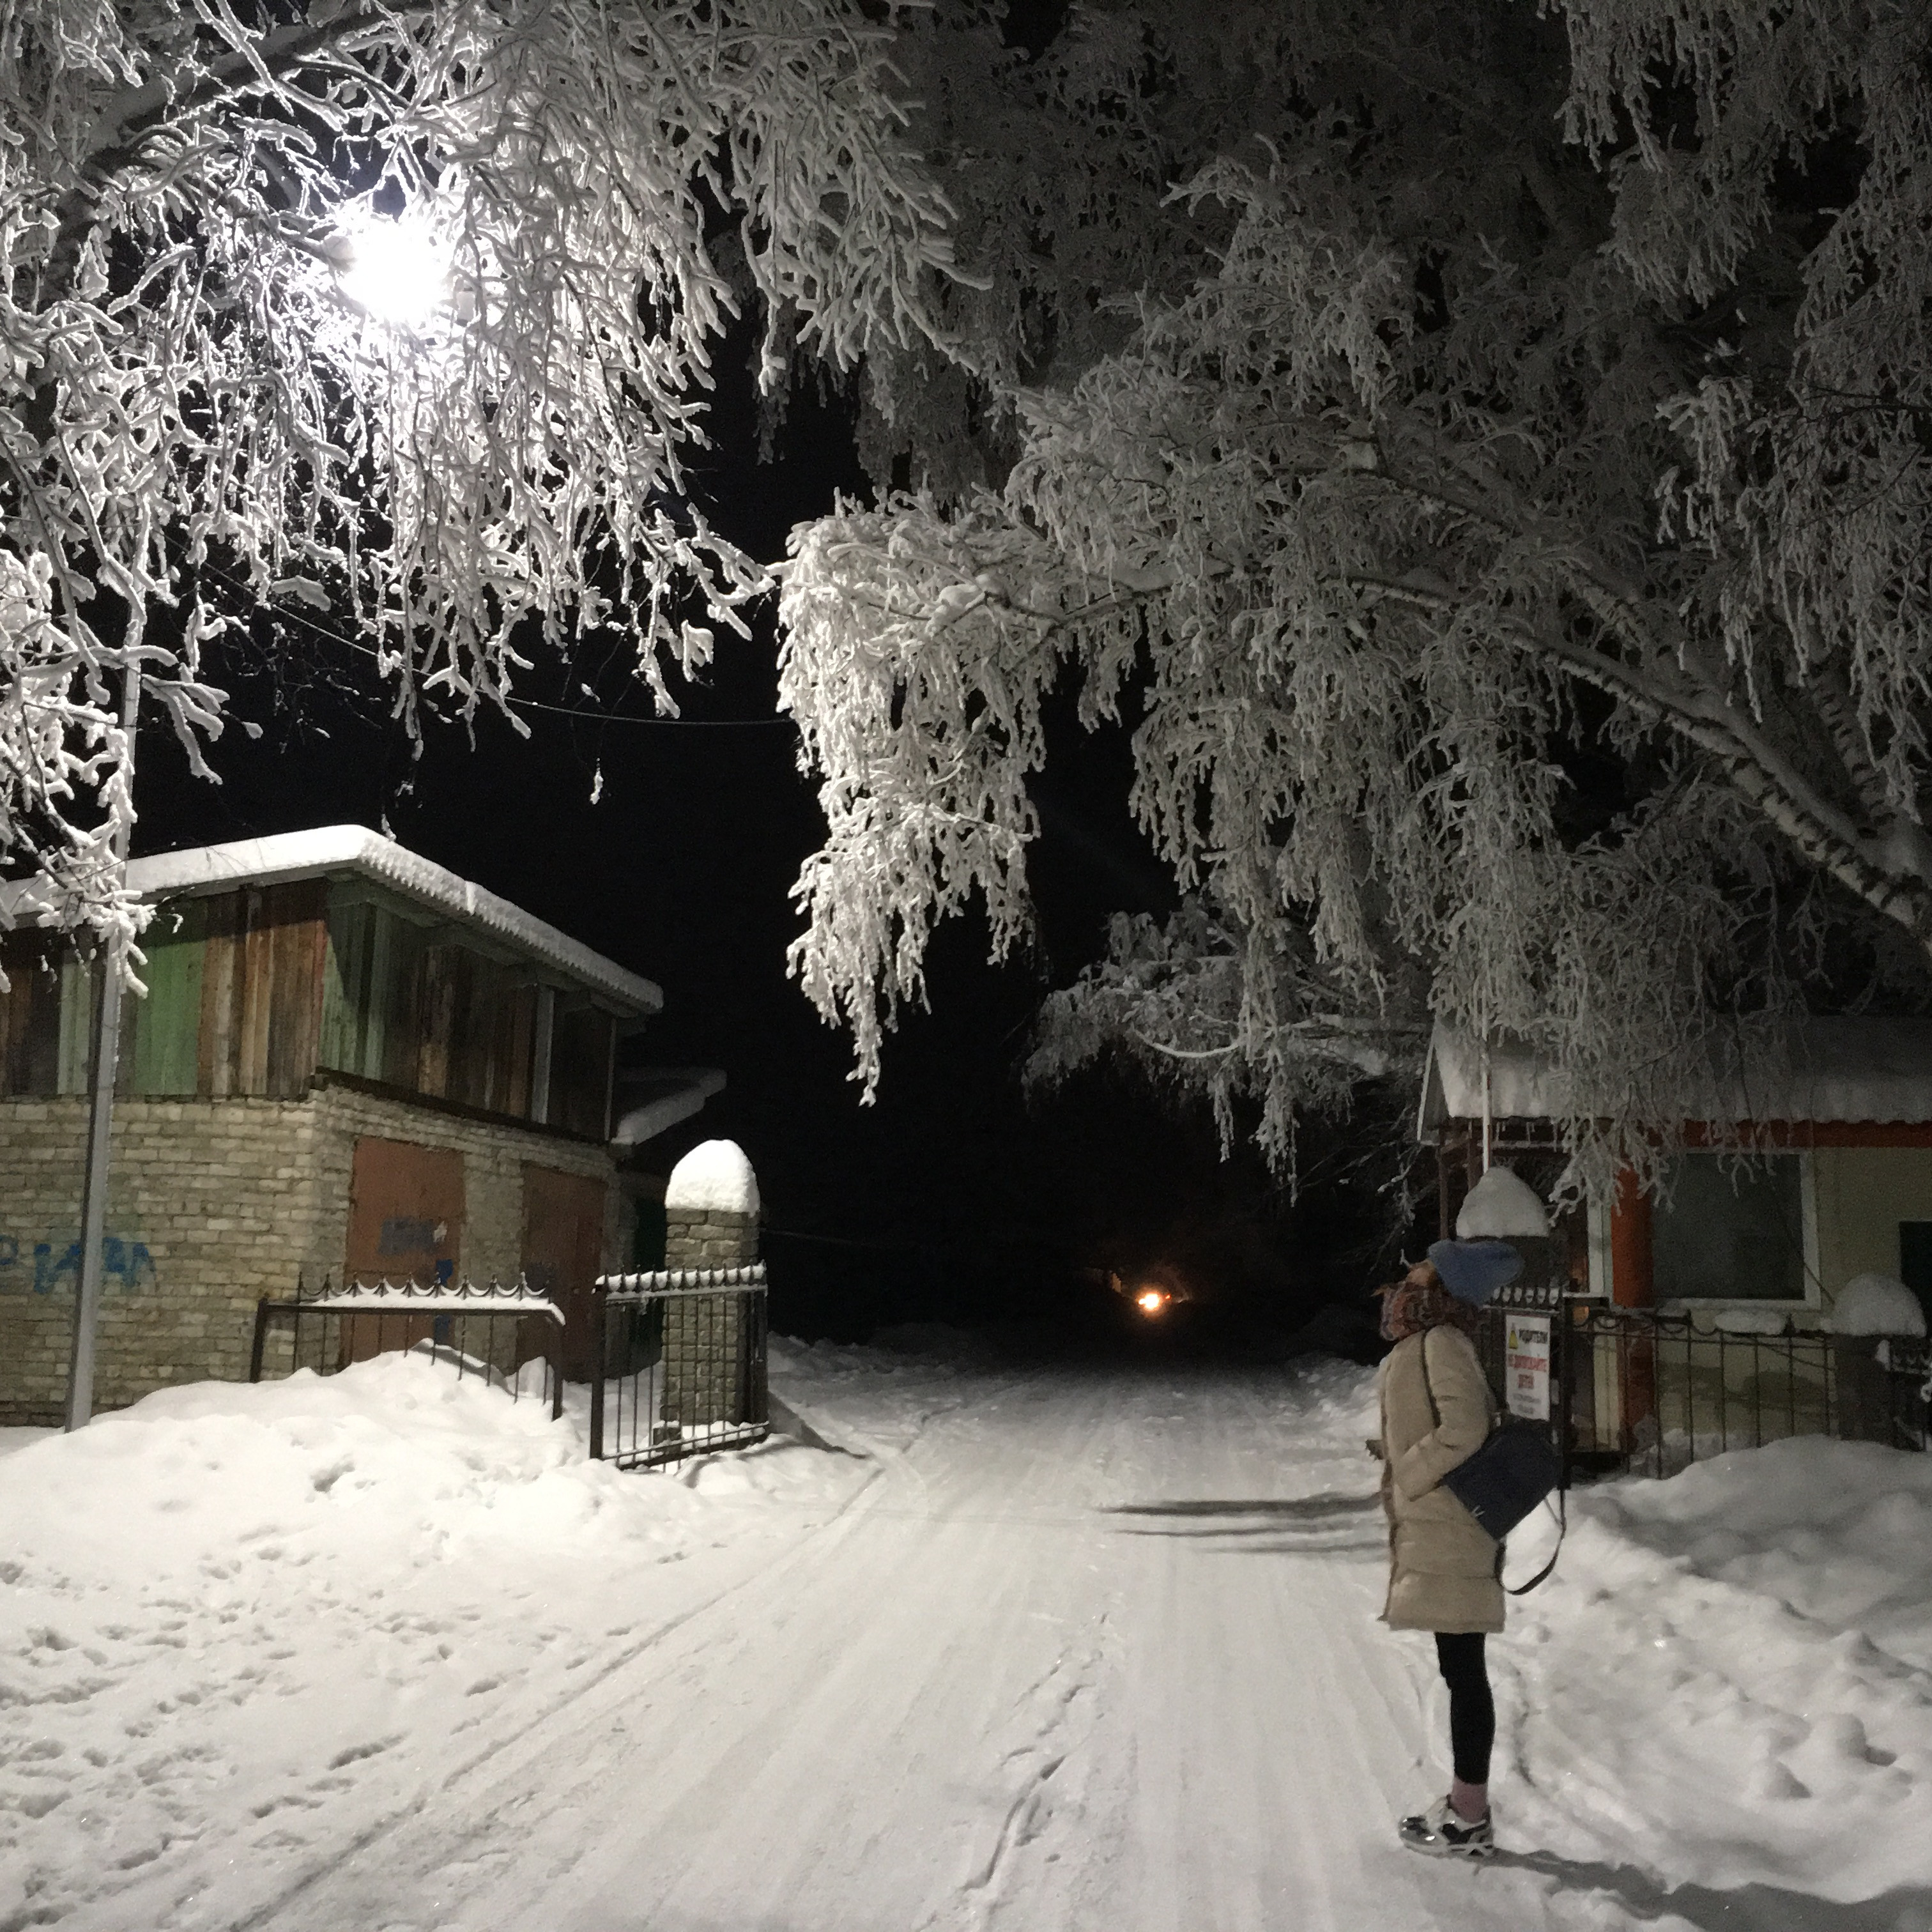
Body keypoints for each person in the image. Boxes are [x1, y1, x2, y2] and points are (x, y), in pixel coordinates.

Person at [1374, 1236, 1522, 1858]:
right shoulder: (1430, 1342)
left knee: (1465, 1674)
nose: (1404, 1283)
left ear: (1438, 1289)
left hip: (1447, 1528)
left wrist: (1409, 1472)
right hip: (1442, 1526)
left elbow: (1465, 1428)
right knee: (1460, 1671)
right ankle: (1467, 1808)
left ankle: (1469, 1819)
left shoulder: (1441, 1343)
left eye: (1419, 1274)